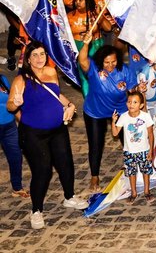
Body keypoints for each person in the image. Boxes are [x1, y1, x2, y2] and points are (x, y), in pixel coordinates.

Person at [6, 41, 88, 229]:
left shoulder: (51, 72)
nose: (39, 58)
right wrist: (16, 103)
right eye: (34, 55)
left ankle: (69, 197)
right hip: (33, 134)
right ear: (27, 58)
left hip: (57, 130)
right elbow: (11, 105)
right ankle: (36, 210)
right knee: (42, 170)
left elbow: (56, 95)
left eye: (42, 54)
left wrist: (70, 105)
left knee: (66, 163)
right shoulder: (21, 80)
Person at [78, 35, 138, 193]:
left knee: (129, 140)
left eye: (113, 61)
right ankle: (94, 176)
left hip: (119, 111)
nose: (110, 65)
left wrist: (139, 98)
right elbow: (82, 59)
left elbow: (133, 92)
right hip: (95, 112)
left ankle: (131, 167)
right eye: (107, 62)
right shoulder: (93, 69)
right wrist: (85, 44)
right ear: (100, 62)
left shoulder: (125, 71)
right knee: (96, 144)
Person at [111, 91, 155, 203]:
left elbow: (150, 134)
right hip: (129, 151)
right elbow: (115, 133)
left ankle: (146, 191)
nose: (131, 104)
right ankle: (133, 192)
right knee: (131, 172)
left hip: (144, 150)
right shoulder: (124, 117)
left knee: (146, 171)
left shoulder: (145, 116)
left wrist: (151, 150)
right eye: (129, 102)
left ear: (141, 105)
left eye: (135, 102)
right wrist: (113, 122)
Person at [0, 75, 26, 198]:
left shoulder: (2, 79)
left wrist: (23, 122)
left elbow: (13, 102)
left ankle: (17, 187)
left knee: (16, 156)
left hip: (9, 126)